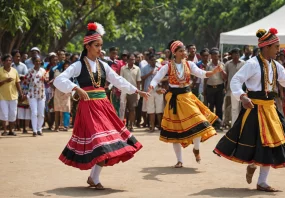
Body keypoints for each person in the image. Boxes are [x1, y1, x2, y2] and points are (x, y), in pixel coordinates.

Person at [214, 28, 285, 192]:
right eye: (276, 46)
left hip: (270, 109)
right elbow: (236, 81)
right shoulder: (252, 64)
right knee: (258, 143)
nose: (278, 50)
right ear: (266, 47)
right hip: (254, 108)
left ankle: (262, 182)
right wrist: (243, 97)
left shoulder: (276, 65)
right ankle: (254, 166)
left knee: (272, 143)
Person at [53, 22, 149, 190]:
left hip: (104, 106)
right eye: (96, 45)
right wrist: (75, 88)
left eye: (100, 45)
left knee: (107, 142)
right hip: (88, 108)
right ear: (87, 46)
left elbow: (118, 81)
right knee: (100, 142)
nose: (99, 49)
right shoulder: (78, 65)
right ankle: (95, 178)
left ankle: (93, 177)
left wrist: (137, 91)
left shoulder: (103, 65)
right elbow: (58, 80)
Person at [149, 40, 222, 168]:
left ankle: (196, 149)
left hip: (187, 98)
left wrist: (214, 72)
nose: (184, 53)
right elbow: (157, 77)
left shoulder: (189, 64)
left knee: (199, 123)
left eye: (184, 50)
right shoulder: (168, 66)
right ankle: (179, 160)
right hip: (174, 100)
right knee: (175, 132)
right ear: (174, 53)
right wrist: (151, 87)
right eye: (181, 51)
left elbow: (202, 74)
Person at [0, 54, 24, 136]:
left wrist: (21, 93)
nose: (8, 62)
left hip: (13, 96)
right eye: (6, 60)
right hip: (2, 96)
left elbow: (18, 83)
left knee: (13, 114)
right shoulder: (0, 71)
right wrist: (5, 81)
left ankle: (11, 130)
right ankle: (5, 131)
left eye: (10, 60)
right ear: (3, 62)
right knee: (4, 113)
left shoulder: (14, 71)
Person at [24, 56, 46, 136]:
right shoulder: (30, 71)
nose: (38, 63)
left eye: (39, 61)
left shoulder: (43, 71)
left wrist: (46, 79)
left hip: (41, 94)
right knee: (34, 113)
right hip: (32, 94)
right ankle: (34, 130)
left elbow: (46, 80)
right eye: (36, 61)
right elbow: (25, 82)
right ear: (33, 62)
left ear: (41, 62)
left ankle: (39, 128)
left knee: (41, 113)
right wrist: (25, 92)